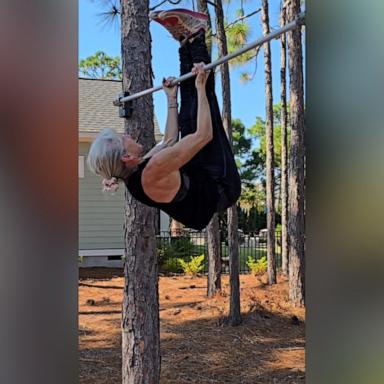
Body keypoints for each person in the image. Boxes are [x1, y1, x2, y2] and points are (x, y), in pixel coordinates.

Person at [88, 9, 241, 230]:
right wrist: (200, 88)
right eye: (123, 138)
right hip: (221, 186)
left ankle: (184, 41)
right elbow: (204, 135)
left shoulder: (136, 171)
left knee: (188, 118)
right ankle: (197, 35)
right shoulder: (152, 170)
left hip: (199, 176)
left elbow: (169, 140)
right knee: (202, 104)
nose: (127, 134)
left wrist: (171, 99)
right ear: (127, 156)